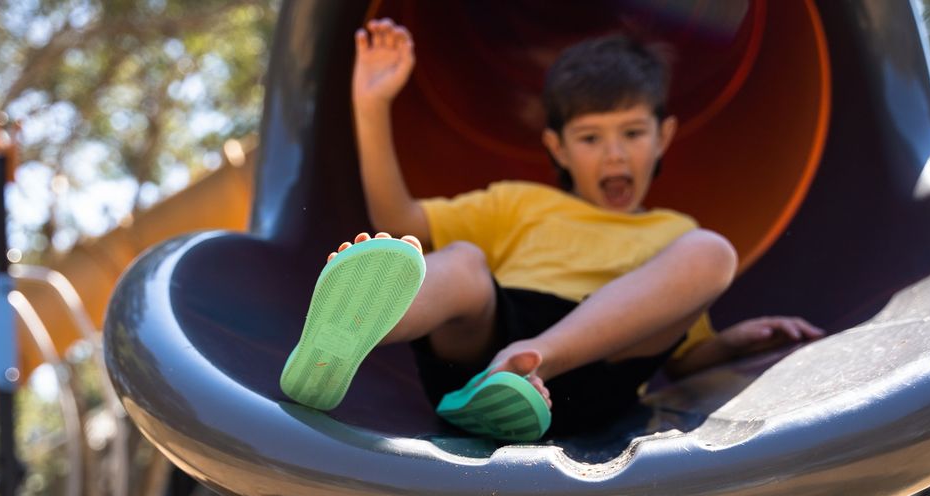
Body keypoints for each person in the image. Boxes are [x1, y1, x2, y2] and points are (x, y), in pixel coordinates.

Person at [281, 18, 823, 440]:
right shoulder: (521, 203)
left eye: (633, 132)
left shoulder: (672, 232)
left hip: (598, 365)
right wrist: (371, 103)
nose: (614, 153)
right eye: (590, 139)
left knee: (710, 251)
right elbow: (399, 223)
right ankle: (353, 329)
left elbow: (681, 359)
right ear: (557, 148)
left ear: (664, 136)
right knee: (465, 261)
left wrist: (731, 345)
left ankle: (527, 363)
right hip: (482, 358)